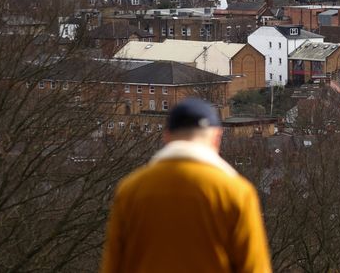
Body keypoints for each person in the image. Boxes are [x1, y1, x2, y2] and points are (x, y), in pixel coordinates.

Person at [101, 98, 271, 273]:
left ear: (166, 136)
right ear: (216, 138)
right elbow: (254, 268)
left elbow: (114, 265)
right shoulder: (236, 191)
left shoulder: (131, 189)